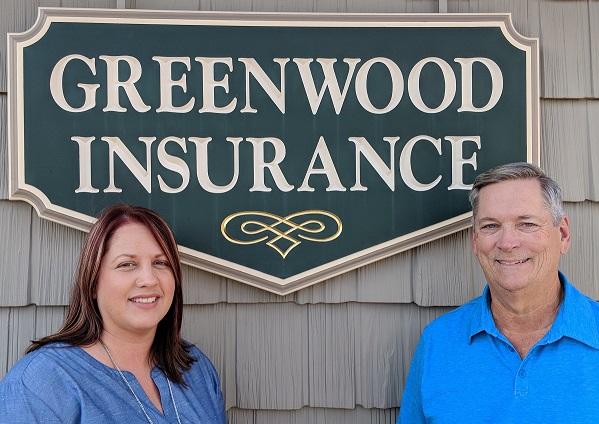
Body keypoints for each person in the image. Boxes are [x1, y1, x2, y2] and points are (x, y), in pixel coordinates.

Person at [398, 162, 599, 423]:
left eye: (526, 224)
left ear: (562, 234)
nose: (506, 243)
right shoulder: (439, 341)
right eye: (490, 226)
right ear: (475, 241)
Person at [0, 204, 226, 423]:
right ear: (93, 284)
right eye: (127, 264)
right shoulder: (43, 381)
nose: (149, 279)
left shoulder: (195, 368)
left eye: (160, 262)